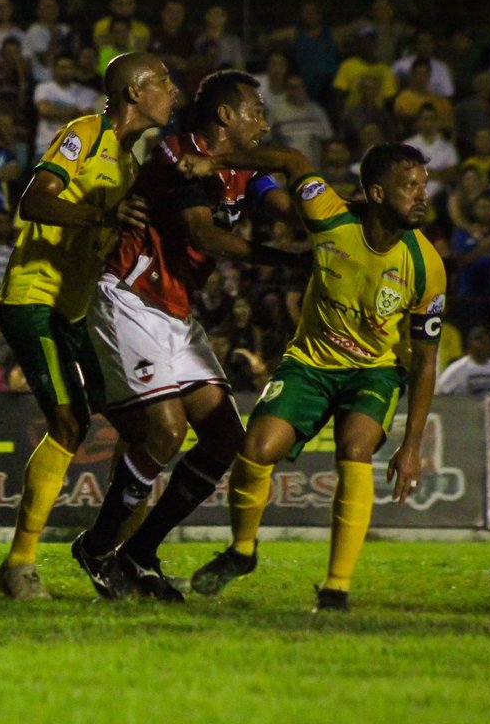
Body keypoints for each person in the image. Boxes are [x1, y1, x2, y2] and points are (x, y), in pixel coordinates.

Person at [183, 142, 446, 612]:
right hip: (309, 361)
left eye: (424, 186)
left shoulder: (427, 267)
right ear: (377, 193)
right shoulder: (329, 215)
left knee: (355, 448)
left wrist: (412, 447)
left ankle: (336, 589)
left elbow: (425, 361)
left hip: (374, 371)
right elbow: (293, 160)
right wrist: (217, 163)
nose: (422, 196)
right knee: (255, 449)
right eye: (410, 187)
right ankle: (243, 552)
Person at [71, 70, 302, 601]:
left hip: (175, 313)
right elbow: (202, 232)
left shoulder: (243, 168)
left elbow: (281, 207)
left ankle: (140, 552)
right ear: (226, 116)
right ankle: (99, 545)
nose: (264, 123)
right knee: (165, 433)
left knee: (224, 439)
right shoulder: (177, 154)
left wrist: (336, 222)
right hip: (130, 298)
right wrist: (288, 261)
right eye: (257, 112)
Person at [0, 52, 178, 600]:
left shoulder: (130, 166)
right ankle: (20, 563)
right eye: (163, 83)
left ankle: (117, 555)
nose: (172, 92)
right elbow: (34, 201)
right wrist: (104, 216)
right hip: (34, 298)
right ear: (134, 92)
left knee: (146, 430)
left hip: (79, 310)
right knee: (69, 425)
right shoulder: (84, 134)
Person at [436, 326, 490, 396]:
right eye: (483, 343)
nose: (486, 347)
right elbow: (440, 392)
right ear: (472, 345)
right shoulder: (458, 368)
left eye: (489, 343)